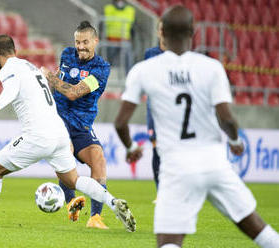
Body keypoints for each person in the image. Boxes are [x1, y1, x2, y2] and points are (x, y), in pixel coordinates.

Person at [115, 5, 279, 248]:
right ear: (193, 32)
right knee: (259, 230)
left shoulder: (144, 70)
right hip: (214, 164)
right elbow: (227, 119)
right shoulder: (211, 68)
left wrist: (130, 148)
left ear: (162, 31)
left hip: (176, 168)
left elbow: (120, 122)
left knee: (169, 242)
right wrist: (235, 142)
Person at [0, 34, 136, 233]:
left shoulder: (9, 69)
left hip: (37, 135)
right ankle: (112, 201)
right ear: (15, 51)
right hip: (59, 132)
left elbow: (12, 89)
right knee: (72, 180)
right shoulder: (29, 66)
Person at [41, 21, 112, 230]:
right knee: (65, 151)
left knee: (98, 158)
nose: (80, 46)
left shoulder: (101, 68)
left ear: (95, 41)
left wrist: (49, 77)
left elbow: (73, 93)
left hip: (82, 124)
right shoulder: (67, 54)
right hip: (59, 119)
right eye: (78, 41)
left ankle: (95, 218)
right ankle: (71, 201)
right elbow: (58, 82)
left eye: (85, 42)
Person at [144, 20, 165, 201]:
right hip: (154, 108)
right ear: (158, 32)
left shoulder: (180, 56)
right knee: (156, 149)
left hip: (173, 110)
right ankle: (161, 192)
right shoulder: (150, 54)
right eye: (161, 29)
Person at [103, 0, 135, 74]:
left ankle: (129, 76)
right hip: (111, 40)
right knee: (108, 61)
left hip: (125, 40)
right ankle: (102, 77)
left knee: (128, 60)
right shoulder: (109, 8)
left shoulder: (130, 10)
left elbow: (132, 25)